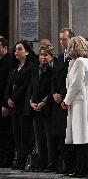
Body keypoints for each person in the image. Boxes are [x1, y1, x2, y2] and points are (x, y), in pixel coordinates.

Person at [61, 36, 88, 178]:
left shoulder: (79, 62)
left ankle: (82, 169)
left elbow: (76, 85)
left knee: (81, 140)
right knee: (82, 140)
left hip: (81, 103)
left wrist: (66, 100)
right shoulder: (86, 61)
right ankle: (85, 168)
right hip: (82, 102)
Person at [4, 40, 35, 170]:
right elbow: (9, 85)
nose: (16, 51)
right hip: (14, 106)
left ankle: (25, 159)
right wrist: (8, 98)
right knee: (16, 133)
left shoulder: (31, 67)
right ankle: (19, 158)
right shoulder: (14, 68)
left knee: (25, 133)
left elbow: (26, 86)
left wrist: (14, 98)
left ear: (27, 52)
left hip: (23, 104)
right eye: (16, 49)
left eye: (20, 49)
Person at [49, 28, 75, 174]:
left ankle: (71, 165)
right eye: (60, 39)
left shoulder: (75, 58)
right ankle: (65, 164)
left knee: (69, 134)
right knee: (60, 134)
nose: (61, 42)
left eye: (64, 39)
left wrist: (63, 95)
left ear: (71, 39)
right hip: (57, 101)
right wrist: (54, 93)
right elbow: (54, 78)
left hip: (68, 101)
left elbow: (73, 82)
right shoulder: (59, 58)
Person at [26, 43, 56, 172]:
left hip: (47, 108)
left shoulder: (53, 71)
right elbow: (32, 88)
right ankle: (42, 164)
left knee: (49, 138)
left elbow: (52, 90)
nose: (43, 58)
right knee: (39, 138)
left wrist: (44, 102)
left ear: (51, 56)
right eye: (41, 55)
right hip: (35, 108)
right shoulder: (35, 70)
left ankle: (51, 164)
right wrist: (31, 101)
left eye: (46, 55)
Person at [0, 37, 13, 167]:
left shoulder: (9, 61)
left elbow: (7, 85)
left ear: (4, 47)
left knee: (6, 132)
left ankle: (7, 159)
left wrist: (4, 104)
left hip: (4, 103)